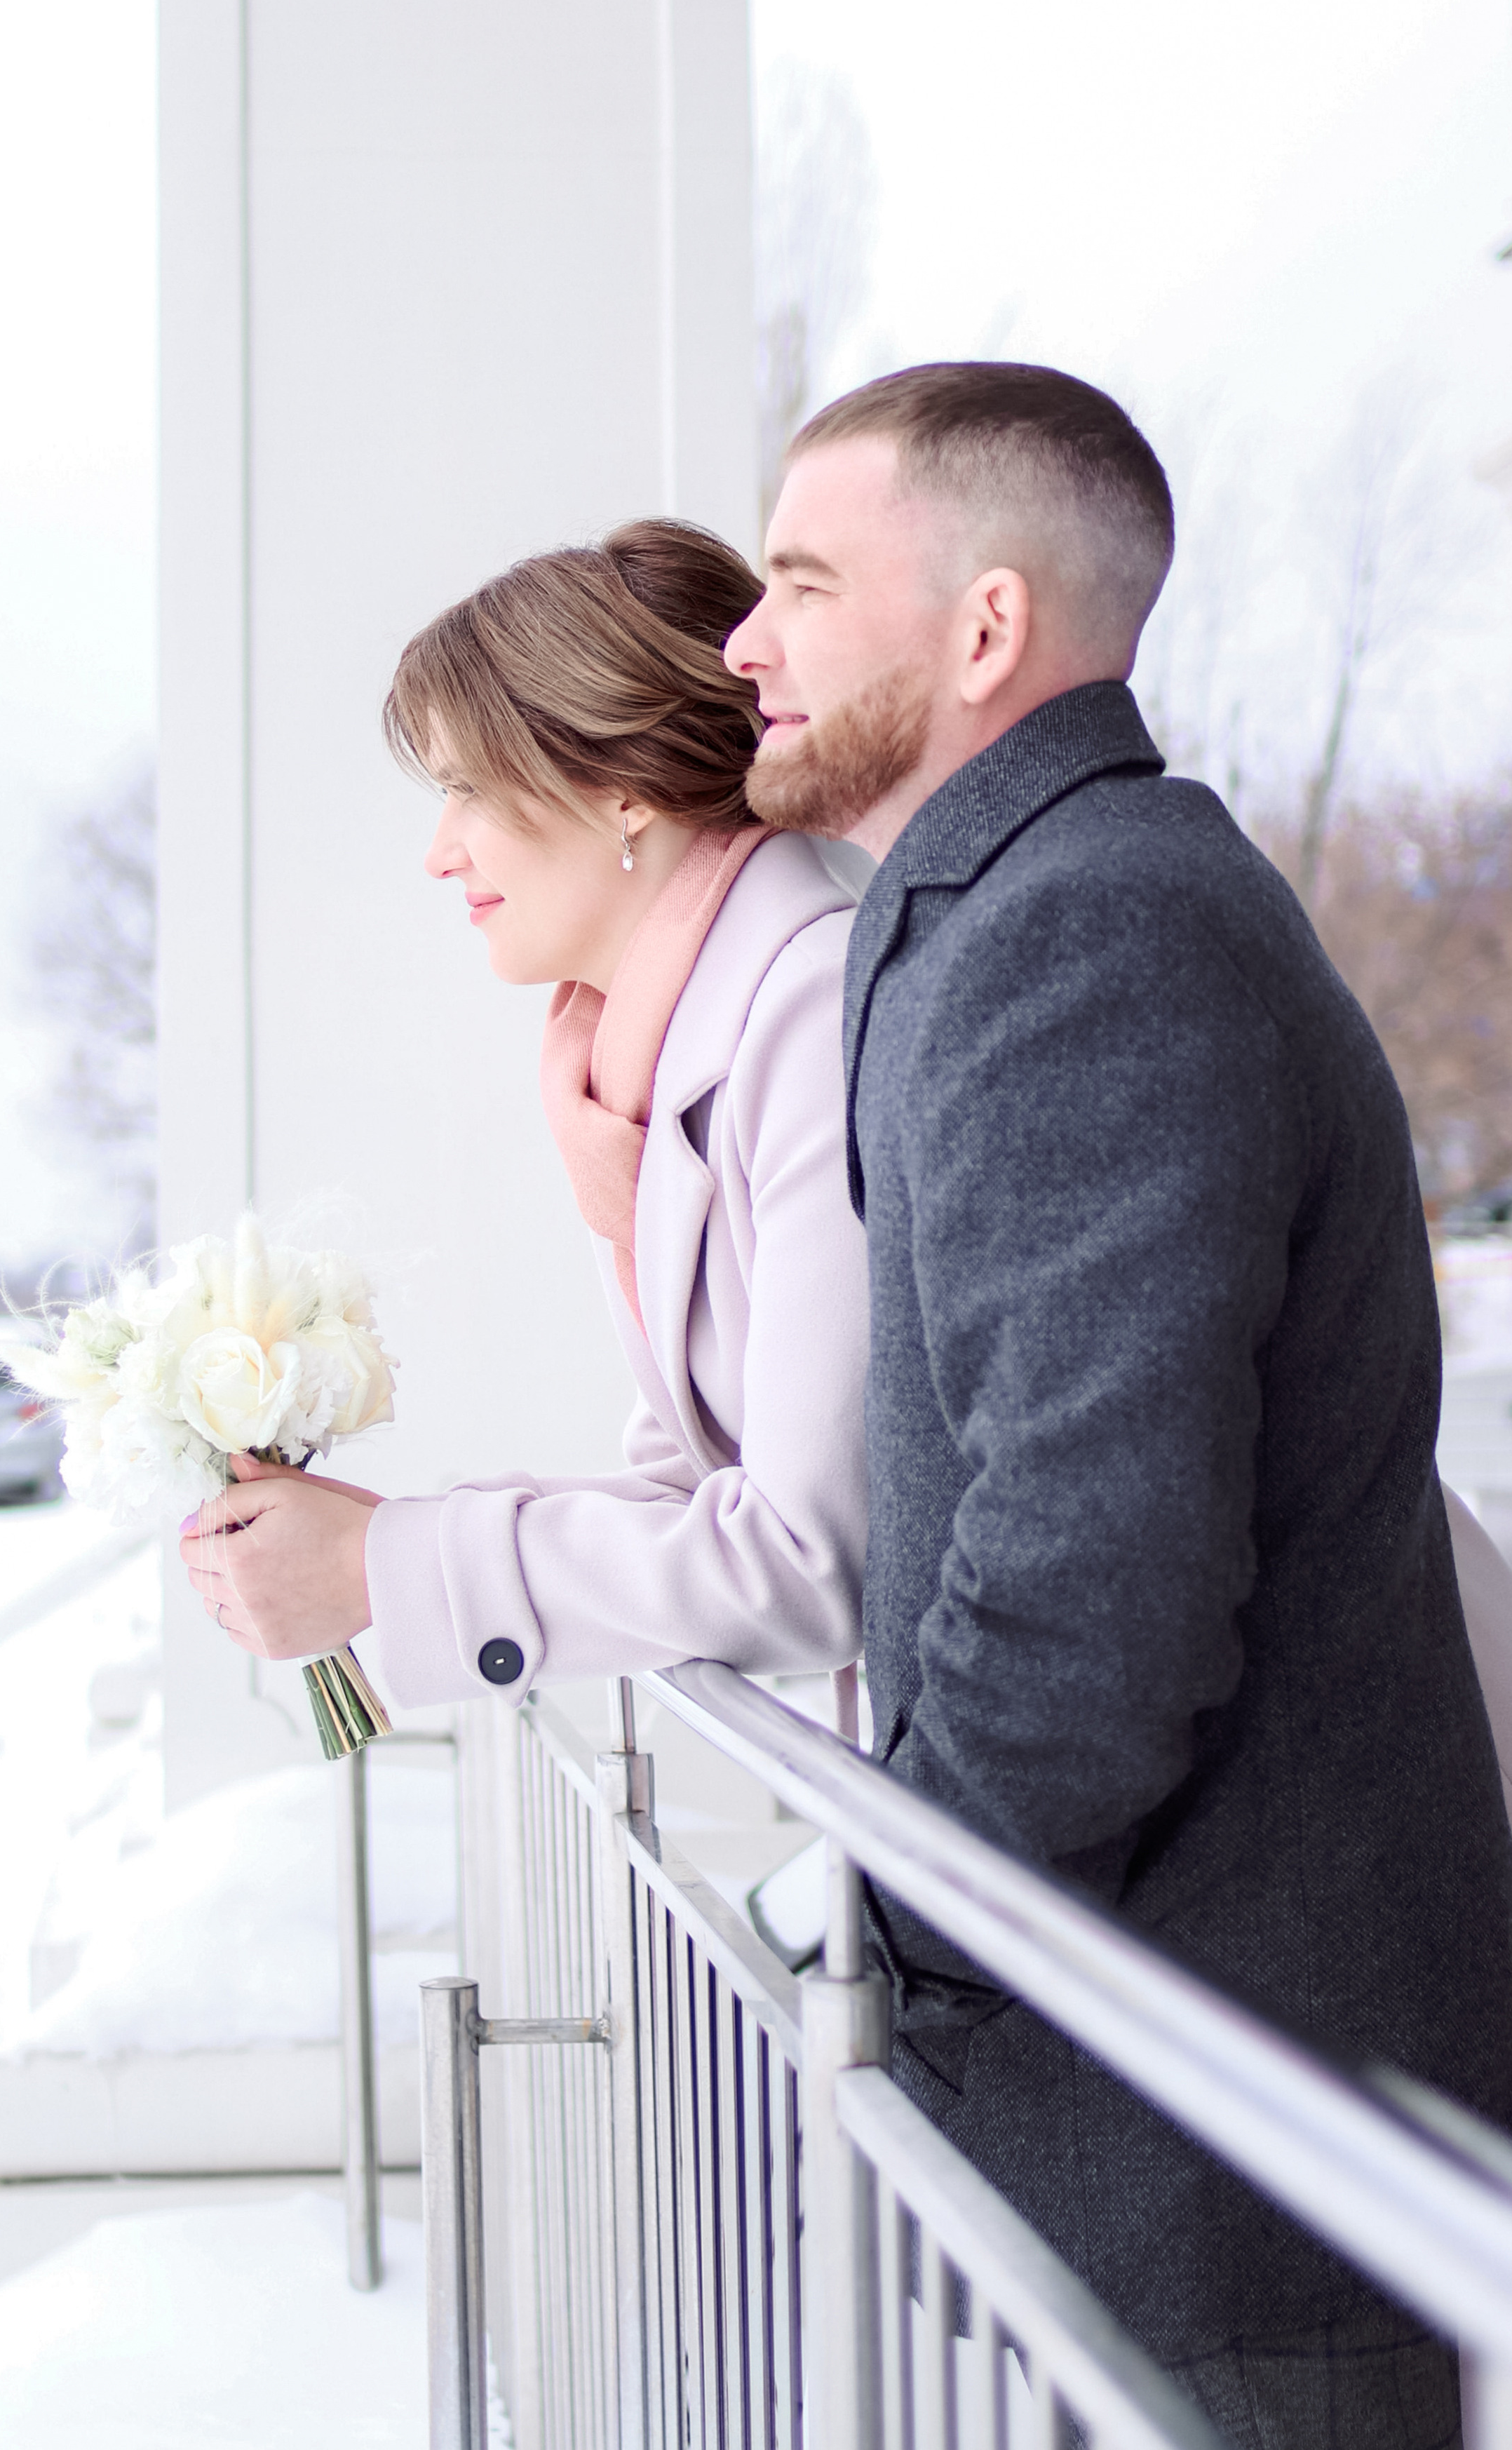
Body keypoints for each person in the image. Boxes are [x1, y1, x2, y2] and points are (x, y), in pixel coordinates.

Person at [727, 360, 1512, 2450]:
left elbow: (1092, 1589)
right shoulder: (1023, 907)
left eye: (801, 583)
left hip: (1223, 2162)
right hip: (1151, 2121)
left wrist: (876, 1922)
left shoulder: (1099, 939)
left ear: (985, 629)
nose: (746, 640)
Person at [180, 518, 868, 1705]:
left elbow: (809, 1561)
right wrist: (379, 1542)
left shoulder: (811, 1017)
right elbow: (693, 1488)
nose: (440, 854)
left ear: (622, 791)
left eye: (463, 790)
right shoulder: (632, 1063)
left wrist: (382, 1572)